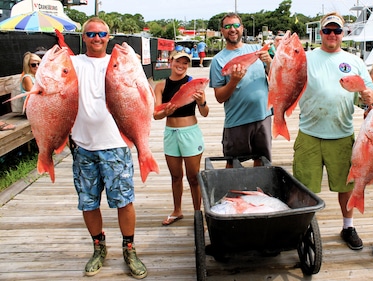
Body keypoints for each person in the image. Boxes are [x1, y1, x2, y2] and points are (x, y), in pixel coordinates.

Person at [292, 12, 373, 251]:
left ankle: (348, 226)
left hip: (342, 134)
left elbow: (371, 92)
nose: (332, 34)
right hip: (309, 133)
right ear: (320, 33)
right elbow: (285, 79)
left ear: (343, 33)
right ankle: (304, 227)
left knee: (347, 185)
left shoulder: (354, 61)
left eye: (337, 31)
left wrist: (372, 95)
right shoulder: (305, 58)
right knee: (304, 186)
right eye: (327, 30)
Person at [69, 17, 147, 279]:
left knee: (124, 201)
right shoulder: (74, 63)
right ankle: (98, 246)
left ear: (109, 36)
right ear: (84, 38)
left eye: (102, 33)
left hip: (116, 143)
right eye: (91, 34)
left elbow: (140, 88)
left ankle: (129, 248)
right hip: (82, 145)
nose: (97, 38)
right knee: (88, 203)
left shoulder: (121, 61)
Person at [209, 12, 273, 167]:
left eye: (236, 25)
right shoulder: (218, 61)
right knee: (233, 165)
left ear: (242, 28)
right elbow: (219, 97)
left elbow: (275, 77)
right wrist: (234, 81)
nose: (233, 29)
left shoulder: (257, 49)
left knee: (262, 163)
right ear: (222, 31)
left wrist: (270, 63)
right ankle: (234, 191)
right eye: (228, 26)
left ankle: (260, 191)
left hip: (262, 117)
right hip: (236, 121)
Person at [153, 50, 209, 226]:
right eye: (178, 61)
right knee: (175, 176)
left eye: (185, 63)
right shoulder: (161, 86)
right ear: (170, 62)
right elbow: (156, 115)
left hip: (190, 133)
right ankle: (177, 210)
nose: (181, 65)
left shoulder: (194, 84)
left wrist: (201, 102)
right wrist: (165, 112)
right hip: (170, 134)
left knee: (194, 177)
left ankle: (197, 214)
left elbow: (205, 113)